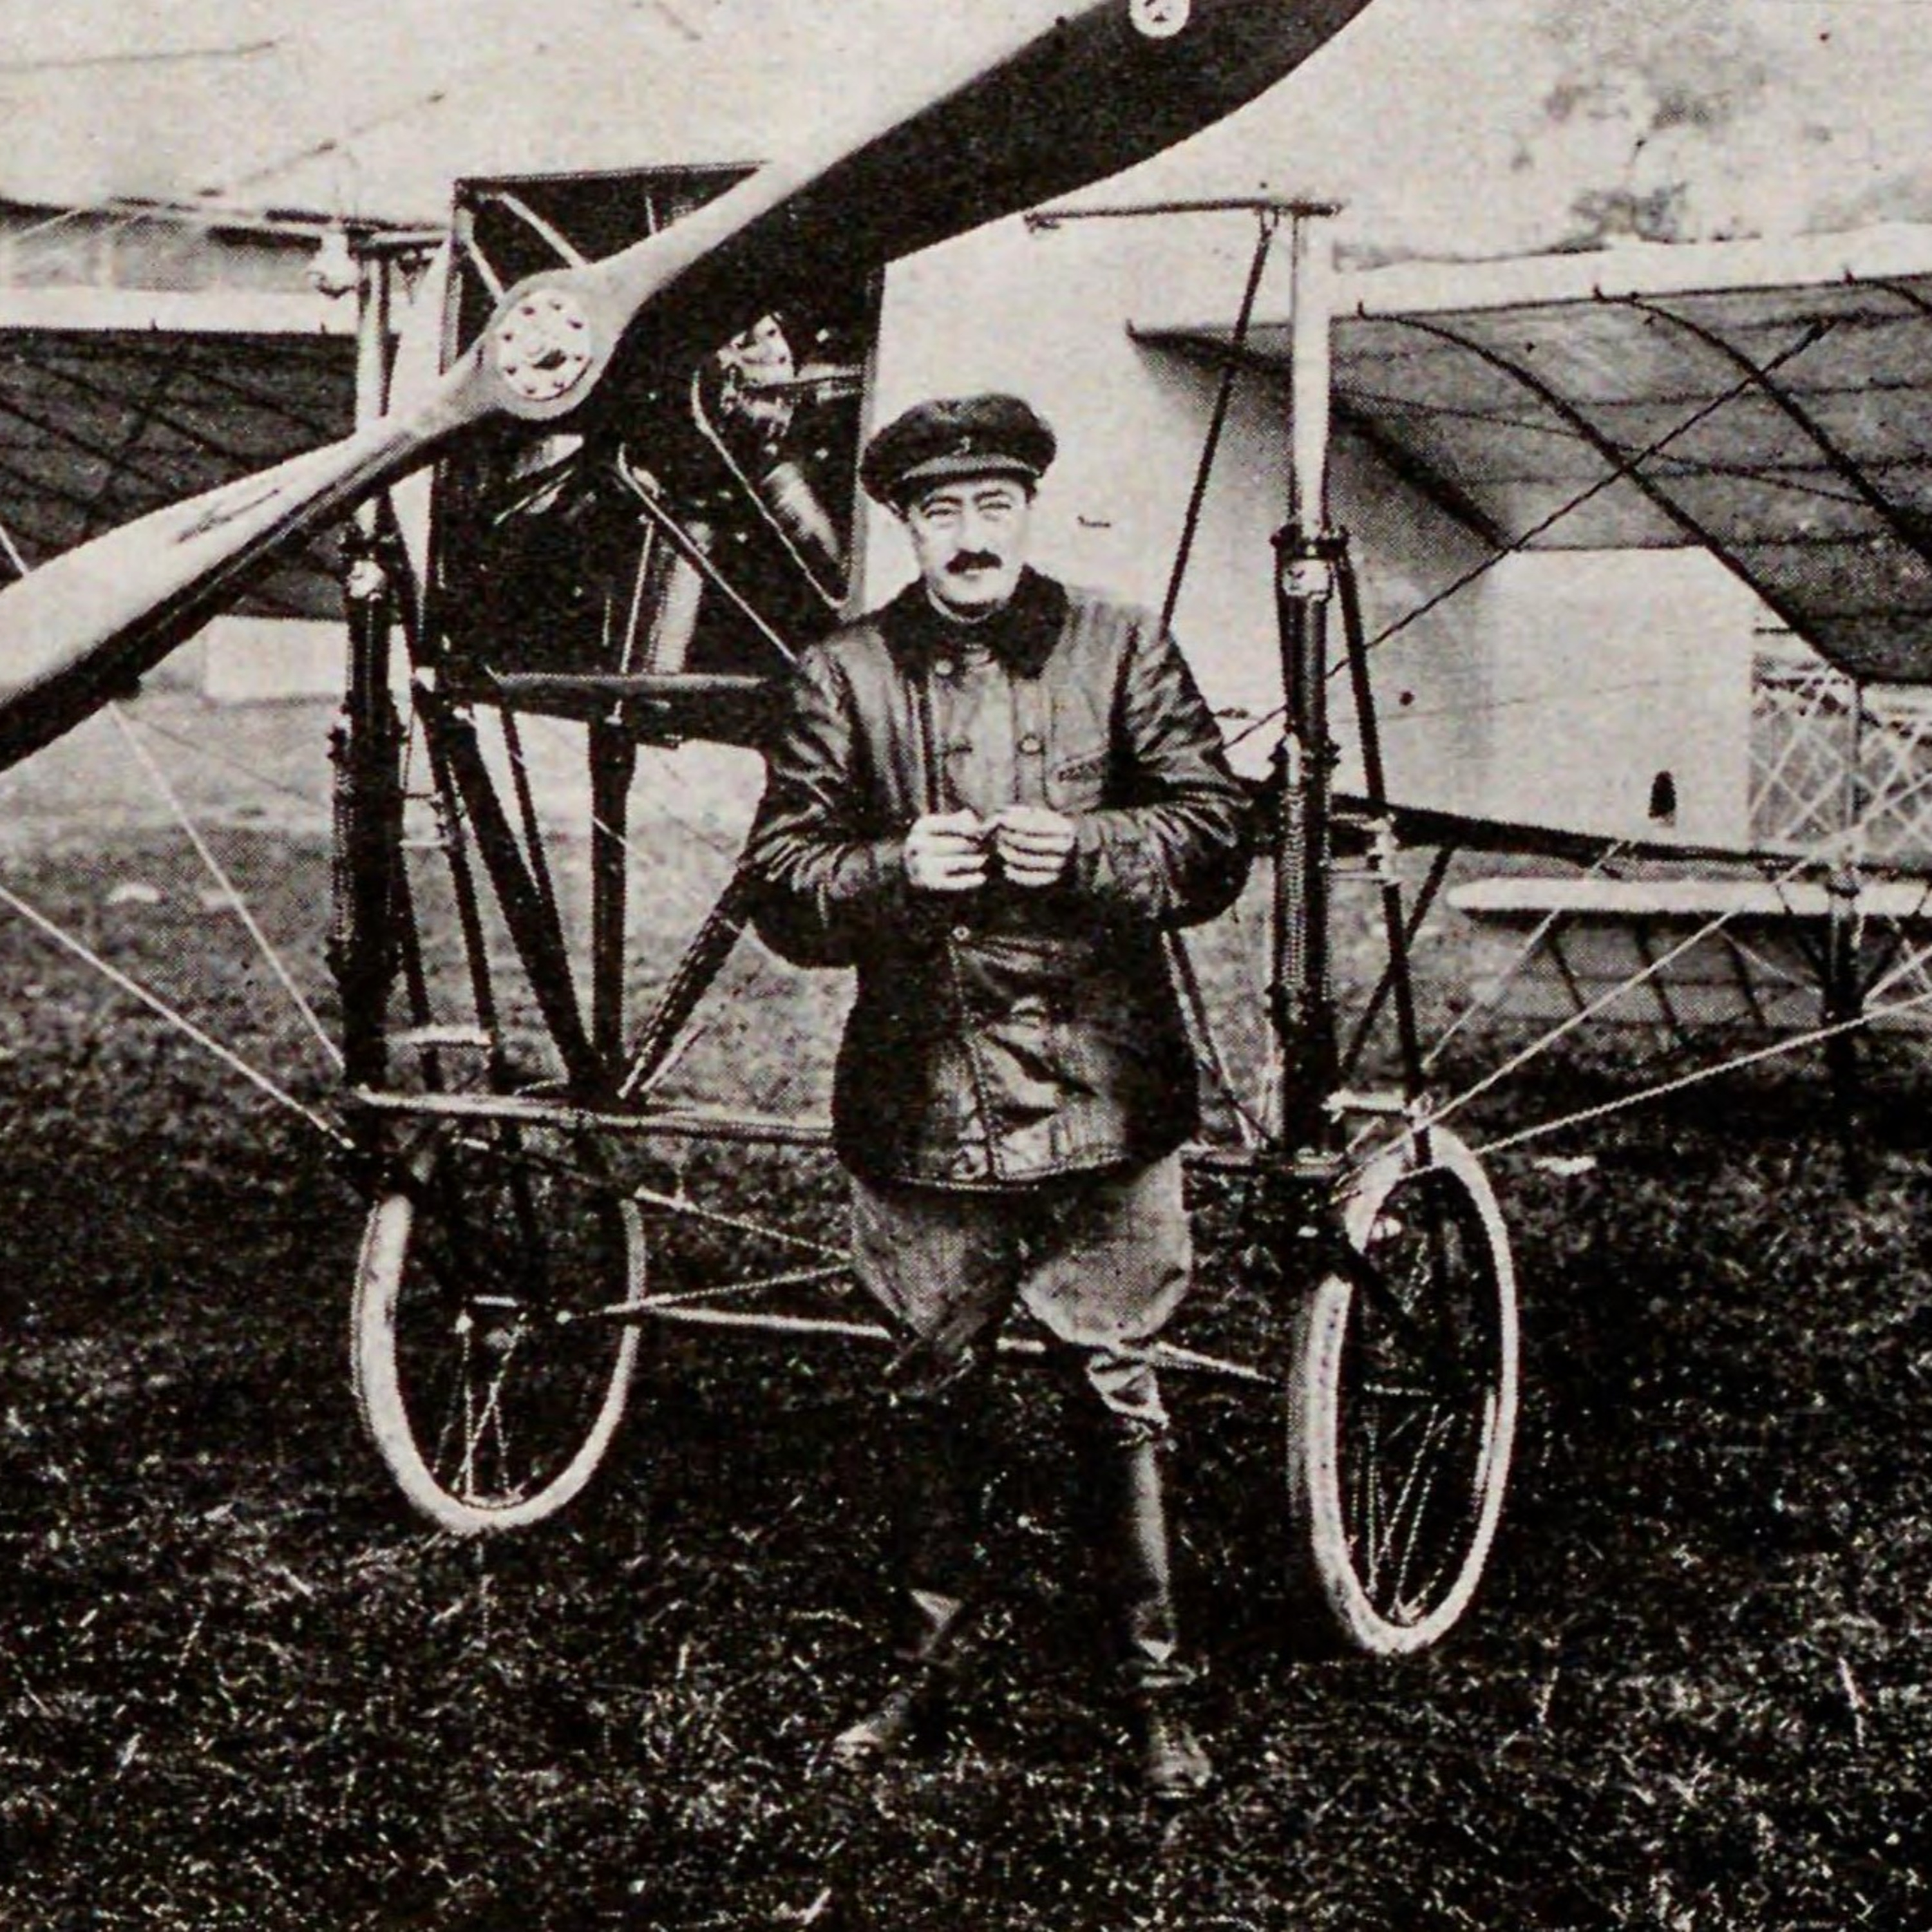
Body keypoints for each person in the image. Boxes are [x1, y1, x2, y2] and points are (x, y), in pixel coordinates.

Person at [741, 393, 1251, 1799]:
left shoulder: (1120, 641)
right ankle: (920, 1673)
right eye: (940, 514)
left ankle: (1158, 1691)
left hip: (1106, 1091)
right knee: (928, 1392)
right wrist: (895, 871)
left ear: (1031, 510)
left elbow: (1216, 835)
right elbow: (782, 877)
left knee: (1117, 1390)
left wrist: (1085, 849)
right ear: (906, 528)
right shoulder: (842, 671)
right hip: (922, 1102)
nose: (969, 538)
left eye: (993, 508)